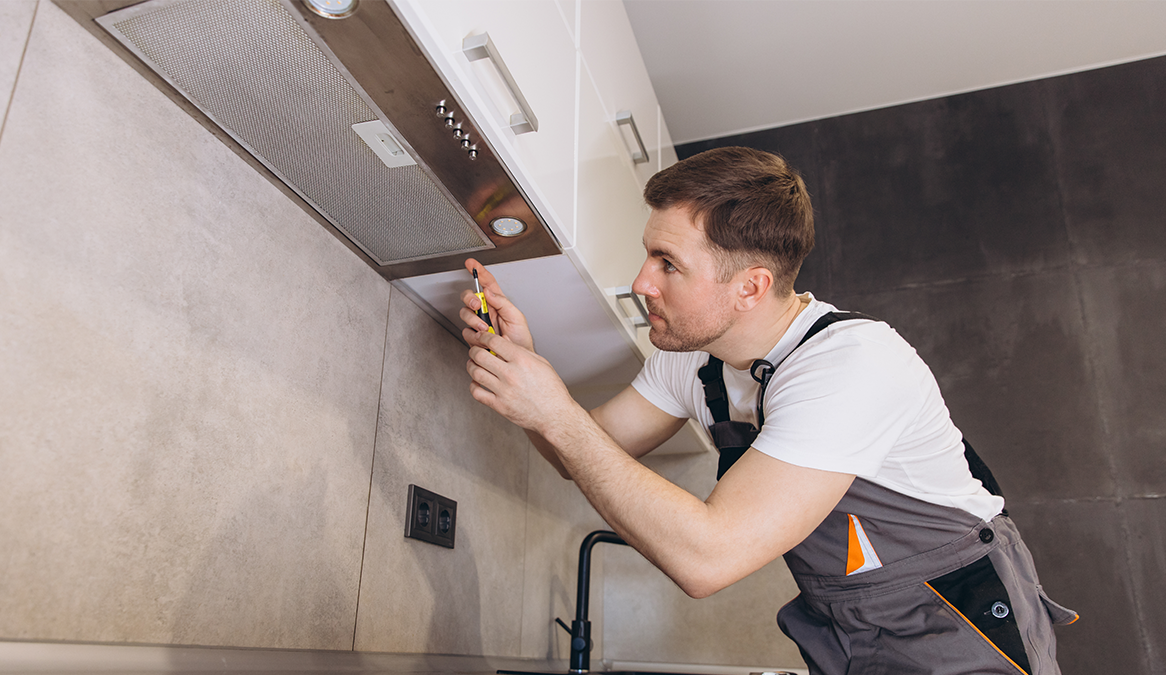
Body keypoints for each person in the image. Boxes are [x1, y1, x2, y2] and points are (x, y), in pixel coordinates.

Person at [459, 147, 1076, 675]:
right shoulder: (692, 358)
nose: (641, 282)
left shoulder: (850, 364)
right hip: (847, 628)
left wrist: (557, 415)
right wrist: (533, 382)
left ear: (750, 286)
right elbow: (583, 451)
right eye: (650, 255)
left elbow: (709, 557)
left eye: (668, 264)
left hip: (957, 627)